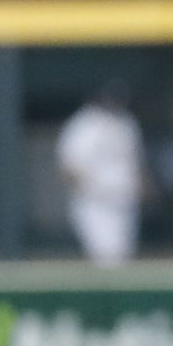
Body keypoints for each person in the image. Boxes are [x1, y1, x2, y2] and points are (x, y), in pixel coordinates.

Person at [56, 84, 145, 266]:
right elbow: (69, 166)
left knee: (122, 257)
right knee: (104, 256)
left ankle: (120, 294)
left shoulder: (126, 122)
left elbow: (135, 161)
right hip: (95, 203)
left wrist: (143, 186)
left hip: (124, 200)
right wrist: (89, 190)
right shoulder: (83, 125)